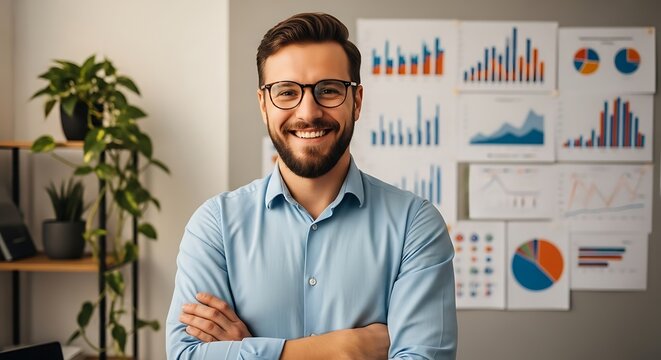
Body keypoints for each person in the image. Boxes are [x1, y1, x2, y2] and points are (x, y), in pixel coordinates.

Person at [166, 12, 457, 360]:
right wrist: (340, 350)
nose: (308, 111)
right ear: (263, 104)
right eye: (286, 92)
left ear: (357, 101)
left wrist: (248, 350)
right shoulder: (215, 226)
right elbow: (186, 355)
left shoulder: (415, 225)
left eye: (329, 90)